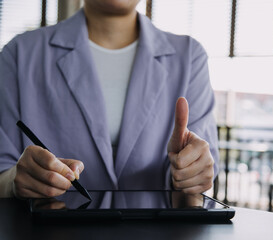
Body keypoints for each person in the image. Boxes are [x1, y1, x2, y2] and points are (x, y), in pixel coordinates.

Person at [0, 0, 219, 198]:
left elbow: (204, 165)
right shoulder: (19, 55)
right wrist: (13, 181)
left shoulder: (190, 57)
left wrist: (192, 171)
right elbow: (3, 172)